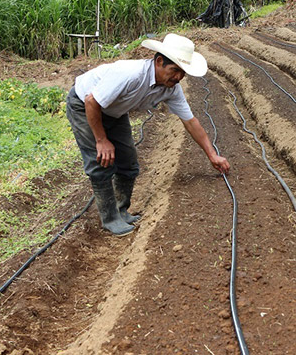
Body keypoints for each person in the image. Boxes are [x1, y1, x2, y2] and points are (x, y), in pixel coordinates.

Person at [66, 33, 230, 236]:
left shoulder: (171, 89)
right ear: (159, 61)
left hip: (114, 111)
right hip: (84, 105)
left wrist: (212, 155)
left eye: (183, 72)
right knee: (101, 161)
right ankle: (110, 220)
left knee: (128, 162)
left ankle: (121, 210)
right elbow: (92, 101)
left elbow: (191, 122)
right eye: (175, 70)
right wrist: (101, 140)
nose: (178, 77)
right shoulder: (131, 74)